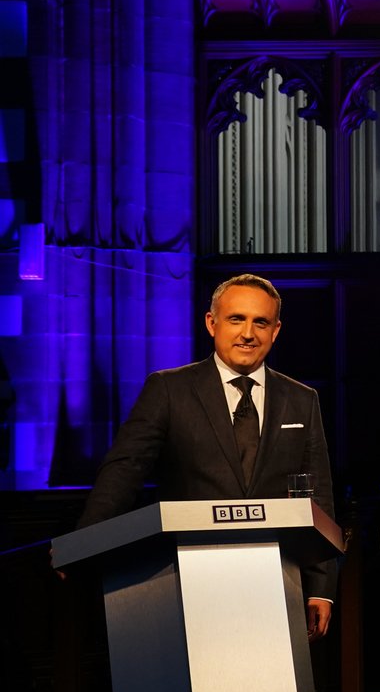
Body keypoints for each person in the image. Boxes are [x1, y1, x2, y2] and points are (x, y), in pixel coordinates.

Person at [77, 273, 337, 640]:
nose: (248, 333)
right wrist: (86, 543)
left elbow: (318, 496)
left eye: (260, 322)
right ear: (211, 323)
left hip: (278, 578)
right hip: (187, 574)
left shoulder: (302, 399)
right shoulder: (168, 389)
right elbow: (125, 470)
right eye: (236, 319)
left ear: (275, 330)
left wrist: (321, 586)